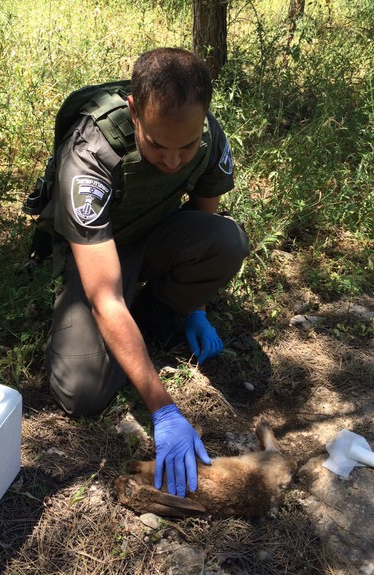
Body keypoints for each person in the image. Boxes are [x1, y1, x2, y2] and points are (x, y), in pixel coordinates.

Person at [46, 47, 250, 498]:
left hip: (154, 235)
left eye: (187, 146)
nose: (174, 161)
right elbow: (104, 295)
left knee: (228, 240)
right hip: (98, 249)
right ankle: (126, 331)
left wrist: (195, 308)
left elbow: (204, 225)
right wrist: (163, 409)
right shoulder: (91, 154)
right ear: (134, 111)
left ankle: (156, 314)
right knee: (81, 392)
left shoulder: (211, 139)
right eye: (157, 145)